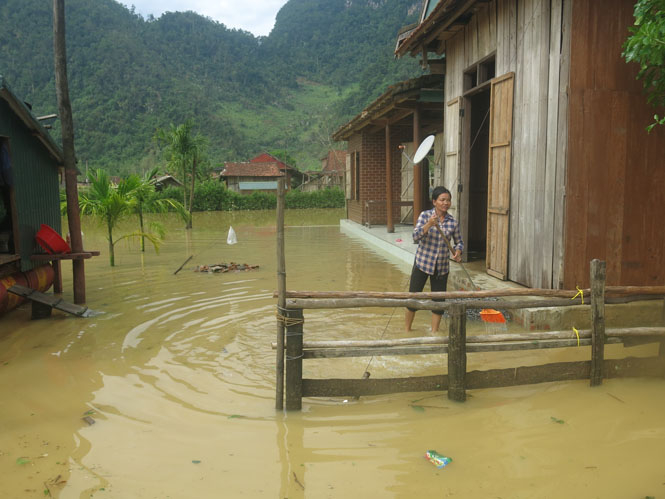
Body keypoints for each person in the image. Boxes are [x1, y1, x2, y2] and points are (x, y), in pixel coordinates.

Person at [405, 186, 464, 333]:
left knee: (438, 302)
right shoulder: (425, 216)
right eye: (442, 200)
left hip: (442, 267)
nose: (445, 203)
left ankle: (434, 333)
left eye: (448, 200)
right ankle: (407, 331)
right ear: (434, 202)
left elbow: (459, 242)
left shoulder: (452, 222)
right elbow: (415, 237)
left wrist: (457, 251)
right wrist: (429, 225)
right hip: (422, 263)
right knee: (413, 299)